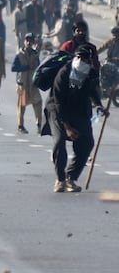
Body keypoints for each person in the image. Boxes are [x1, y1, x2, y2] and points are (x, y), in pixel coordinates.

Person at [41, 46, 108, 193]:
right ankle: (60, 180)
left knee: (87, 142)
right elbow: (58, 102)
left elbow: (93, 91)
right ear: (75, 58)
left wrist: (99, 106)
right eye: (80, 58)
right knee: (59, 142)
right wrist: (67, 127)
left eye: (85, 59)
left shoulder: (90, 73)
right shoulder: (64, 73)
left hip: (78, 110)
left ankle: (70, 177)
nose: (82, 62)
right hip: (58, 110)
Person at [11, 33, 42, 134]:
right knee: (21, 105)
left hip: (32, 84)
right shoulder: (19, 54)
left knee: (38, 102)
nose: (28, 42)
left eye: (30, 41)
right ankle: (20, 125)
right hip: (22, 84)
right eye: (27, 40)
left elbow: (39, 67)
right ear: (24, 41)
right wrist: (26, 67)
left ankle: (39, 125)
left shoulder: (35, 54)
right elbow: (13, 68)